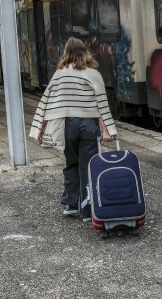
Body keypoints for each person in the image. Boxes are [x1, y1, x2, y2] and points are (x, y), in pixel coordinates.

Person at [28, 37, 117, 221]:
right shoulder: (93, 74)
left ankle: (70, 204)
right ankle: (87, 210)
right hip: (88, 125)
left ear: (66, 53)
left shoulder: (59, 74)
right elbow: (102, 103)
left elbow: (46, 100)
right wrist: (109, 129)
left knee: (71, 163)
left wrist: (39, 127)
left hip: (67, 125)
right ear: (85, 51)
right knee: (89, 166)